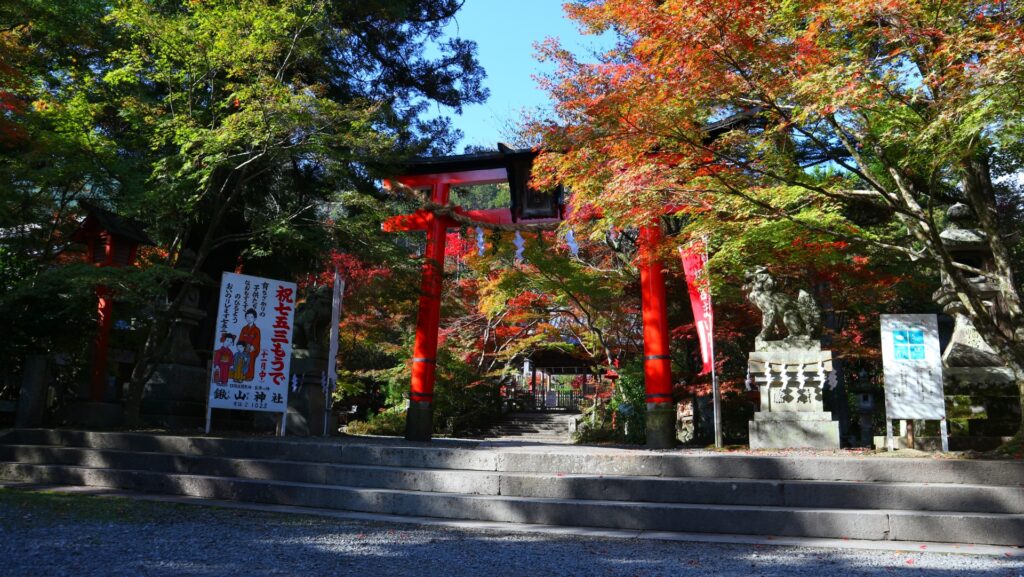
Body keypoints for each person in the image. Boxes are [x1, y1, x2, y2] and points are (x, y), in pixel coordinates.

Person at [237, 308, 261, 380]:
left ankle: (250, 376)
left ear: (255, 318)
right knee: (242, 362)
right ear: (245, 317)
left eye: (251, 317)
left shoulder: (257, 329)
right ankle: (242, 375)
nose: (249, 319)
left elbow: (257, 340)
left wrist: (252, 347)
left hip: (251, 349)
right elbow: (241, 339)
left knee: (250, 362)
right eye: (247, 317)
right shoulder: (244, 328)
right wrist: (240, 346)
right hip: (244, 348)